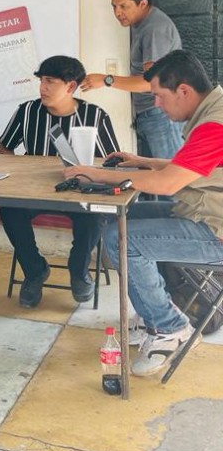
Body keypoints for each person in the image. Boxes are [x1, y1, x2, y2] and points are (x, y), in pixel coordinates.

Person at [66, 50, 223, 376]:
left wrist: (97, 174)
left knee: (121, 237)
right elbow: (188, 169)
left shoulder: (214, 124)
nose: (157, 105)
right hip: (201, 212)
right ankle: (153, 313)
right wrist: (143, 162)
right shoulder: (211, 111)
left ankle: (168, 326)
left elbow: (167, 184)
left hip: (214, 230)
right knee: (117, 218)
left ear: (183, 91)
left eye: (159, 97)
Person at [0, 56, 120, 308]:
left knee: (94, 215)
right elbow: (4, 148)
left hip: (78, 194)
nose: (42, 88)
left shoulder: (94, 116)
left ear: (70, 86)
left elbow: (113, 161)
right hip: (35, 193)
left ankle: (79, 270)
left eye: (50, 82)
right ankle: (34, 271)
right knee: (9, 210)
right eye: (41, 81)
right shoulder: (28, 111)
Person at [82, 0, 183, 159]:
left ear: (142, 3)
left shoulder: (155, 29)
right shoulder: (142, 24)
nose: (117, 12)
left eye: (123, 6)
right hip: (151, 114)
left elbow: (152, 82)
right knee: (158, 174)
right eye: (114, 6)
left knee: (170, 176)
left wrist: (106, 80)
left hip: (161, 114)